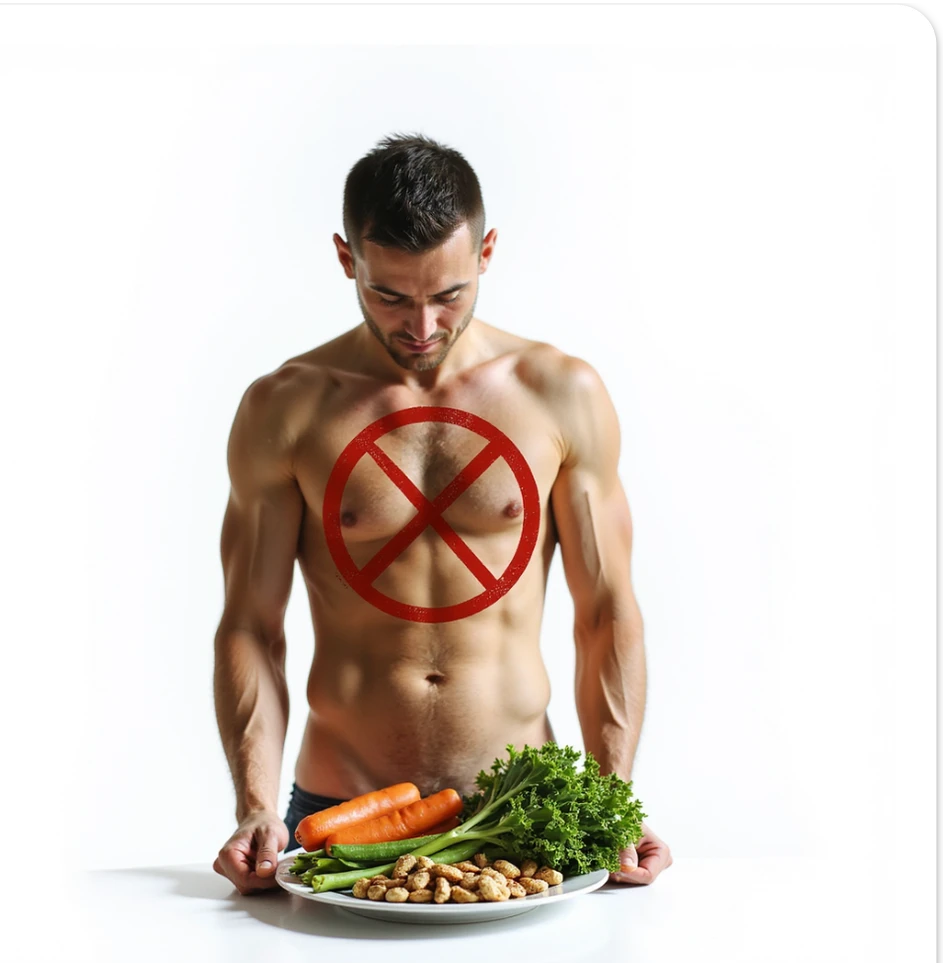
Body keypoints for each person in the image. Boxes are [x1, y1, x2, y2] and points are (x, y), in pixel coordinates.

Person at [212, 133, 672, 895]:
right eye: (389, 295)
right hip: (338, 812)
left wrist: (610, 801)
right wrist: (256, 806)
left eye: (447, 295)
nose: (421, 327)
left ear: (487, 252)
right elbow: (251, 626)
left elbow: (607, 613)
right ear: (345, 258)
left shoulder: (560, 393)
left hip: (522, 808)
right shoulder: (284, 408)